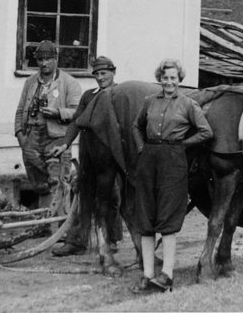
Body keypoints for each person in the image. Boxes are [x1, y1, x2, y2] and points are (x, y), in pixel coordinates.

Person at [131, 58, 213, 293]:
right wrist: (142, 148)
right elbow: (137, 126)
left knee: (168, 216)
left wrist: (182, 145)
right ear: (160, 78)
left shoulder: (188, 104)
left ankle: (167, 274)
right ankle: (147, 275)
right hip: (148, 160)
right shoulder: (149, 102)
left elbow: (206, 131)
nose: (169, 82)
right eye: (165, 78)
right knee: (146, 216)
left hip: (174, 162)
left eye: (173, 78)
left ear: (179, 80)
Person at [50, 56, 123, 256]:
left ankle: (111, 239)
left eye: (104, 73)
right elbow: (76, 122)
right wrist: (64, 144)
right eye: (97, 74)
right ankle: (76, 241)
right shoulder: (89, 96)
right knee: (81, 194)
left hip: (113, 156)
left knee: (112, 196)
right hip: (90, 154)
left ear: (113, 72)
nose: (100, 78)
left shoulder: (120, 95)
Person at [15, 40, 82, 210]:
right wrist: (20, 135)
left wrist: (57, 113)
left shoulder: (69, 82)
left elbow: (79, 112)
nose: (43, 63)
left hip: (56, 138)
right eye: (40, 60)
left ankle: (59, 227)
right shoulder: (30, 81)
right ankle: (45, 224)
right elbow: (20, 110)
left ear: (55, 59)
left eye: (47, 59)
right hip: (31, 137)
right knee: (39, 184)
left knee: (58, 182)